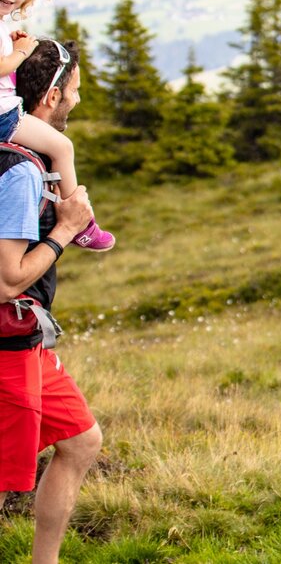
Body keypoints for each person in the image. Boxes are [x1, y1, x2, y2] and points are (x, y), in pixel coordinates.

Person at [0, 37, 103, 564]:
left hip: (28, 338)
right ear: (52, 97)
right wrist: (66, 229)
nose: (77, 103)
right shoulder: (19, 171)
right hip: (5, 343)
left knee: (82, 441)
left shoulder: (29, 161)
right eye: (75, 92)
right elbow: (6, 281)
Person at [0, 0, 114, 250]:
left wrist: (12, 46)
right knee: (62, 148)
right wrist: (21, 53)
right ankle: (81, 223)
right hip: (4, 117)